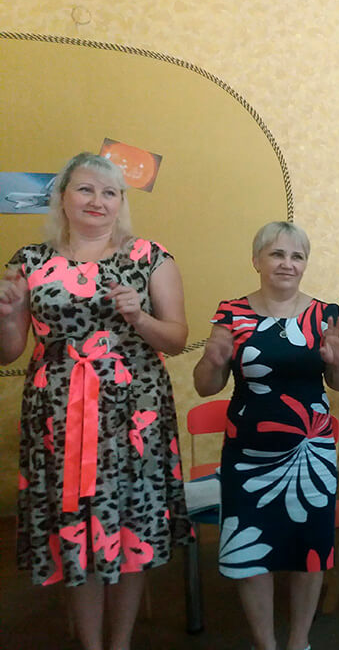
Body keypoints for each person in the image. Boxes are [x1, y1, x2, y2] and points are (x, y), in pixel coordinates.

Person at [0, 152, 191, 650]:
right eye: (85, 189)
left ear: (121, 202)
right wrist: (5, 314)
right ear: (62, 196)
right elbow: (9, 352)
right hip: (58, 416)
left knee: (129, 523)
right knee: (75, 525)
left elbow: (175, 338)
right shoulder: (28, 261)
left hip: (134, 415)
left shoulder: (149, 256)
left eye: (109, 193)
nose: (97, 201)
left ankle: (120, 642)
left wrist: (140, 318)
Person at [192, 221, 339, 650]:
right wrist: (212, 362)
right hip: (247, 454)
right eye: (277, 254)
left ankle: (299, 641)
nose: (287, 263)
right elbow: (205, 386)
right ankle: (264, 644)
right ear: (256, 260)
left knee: (309, 551)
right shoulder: (231, 313)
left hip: (311, 452)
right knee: (250, 555)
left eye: (297, 256)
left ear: (305, 264)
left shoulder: (325, 314)